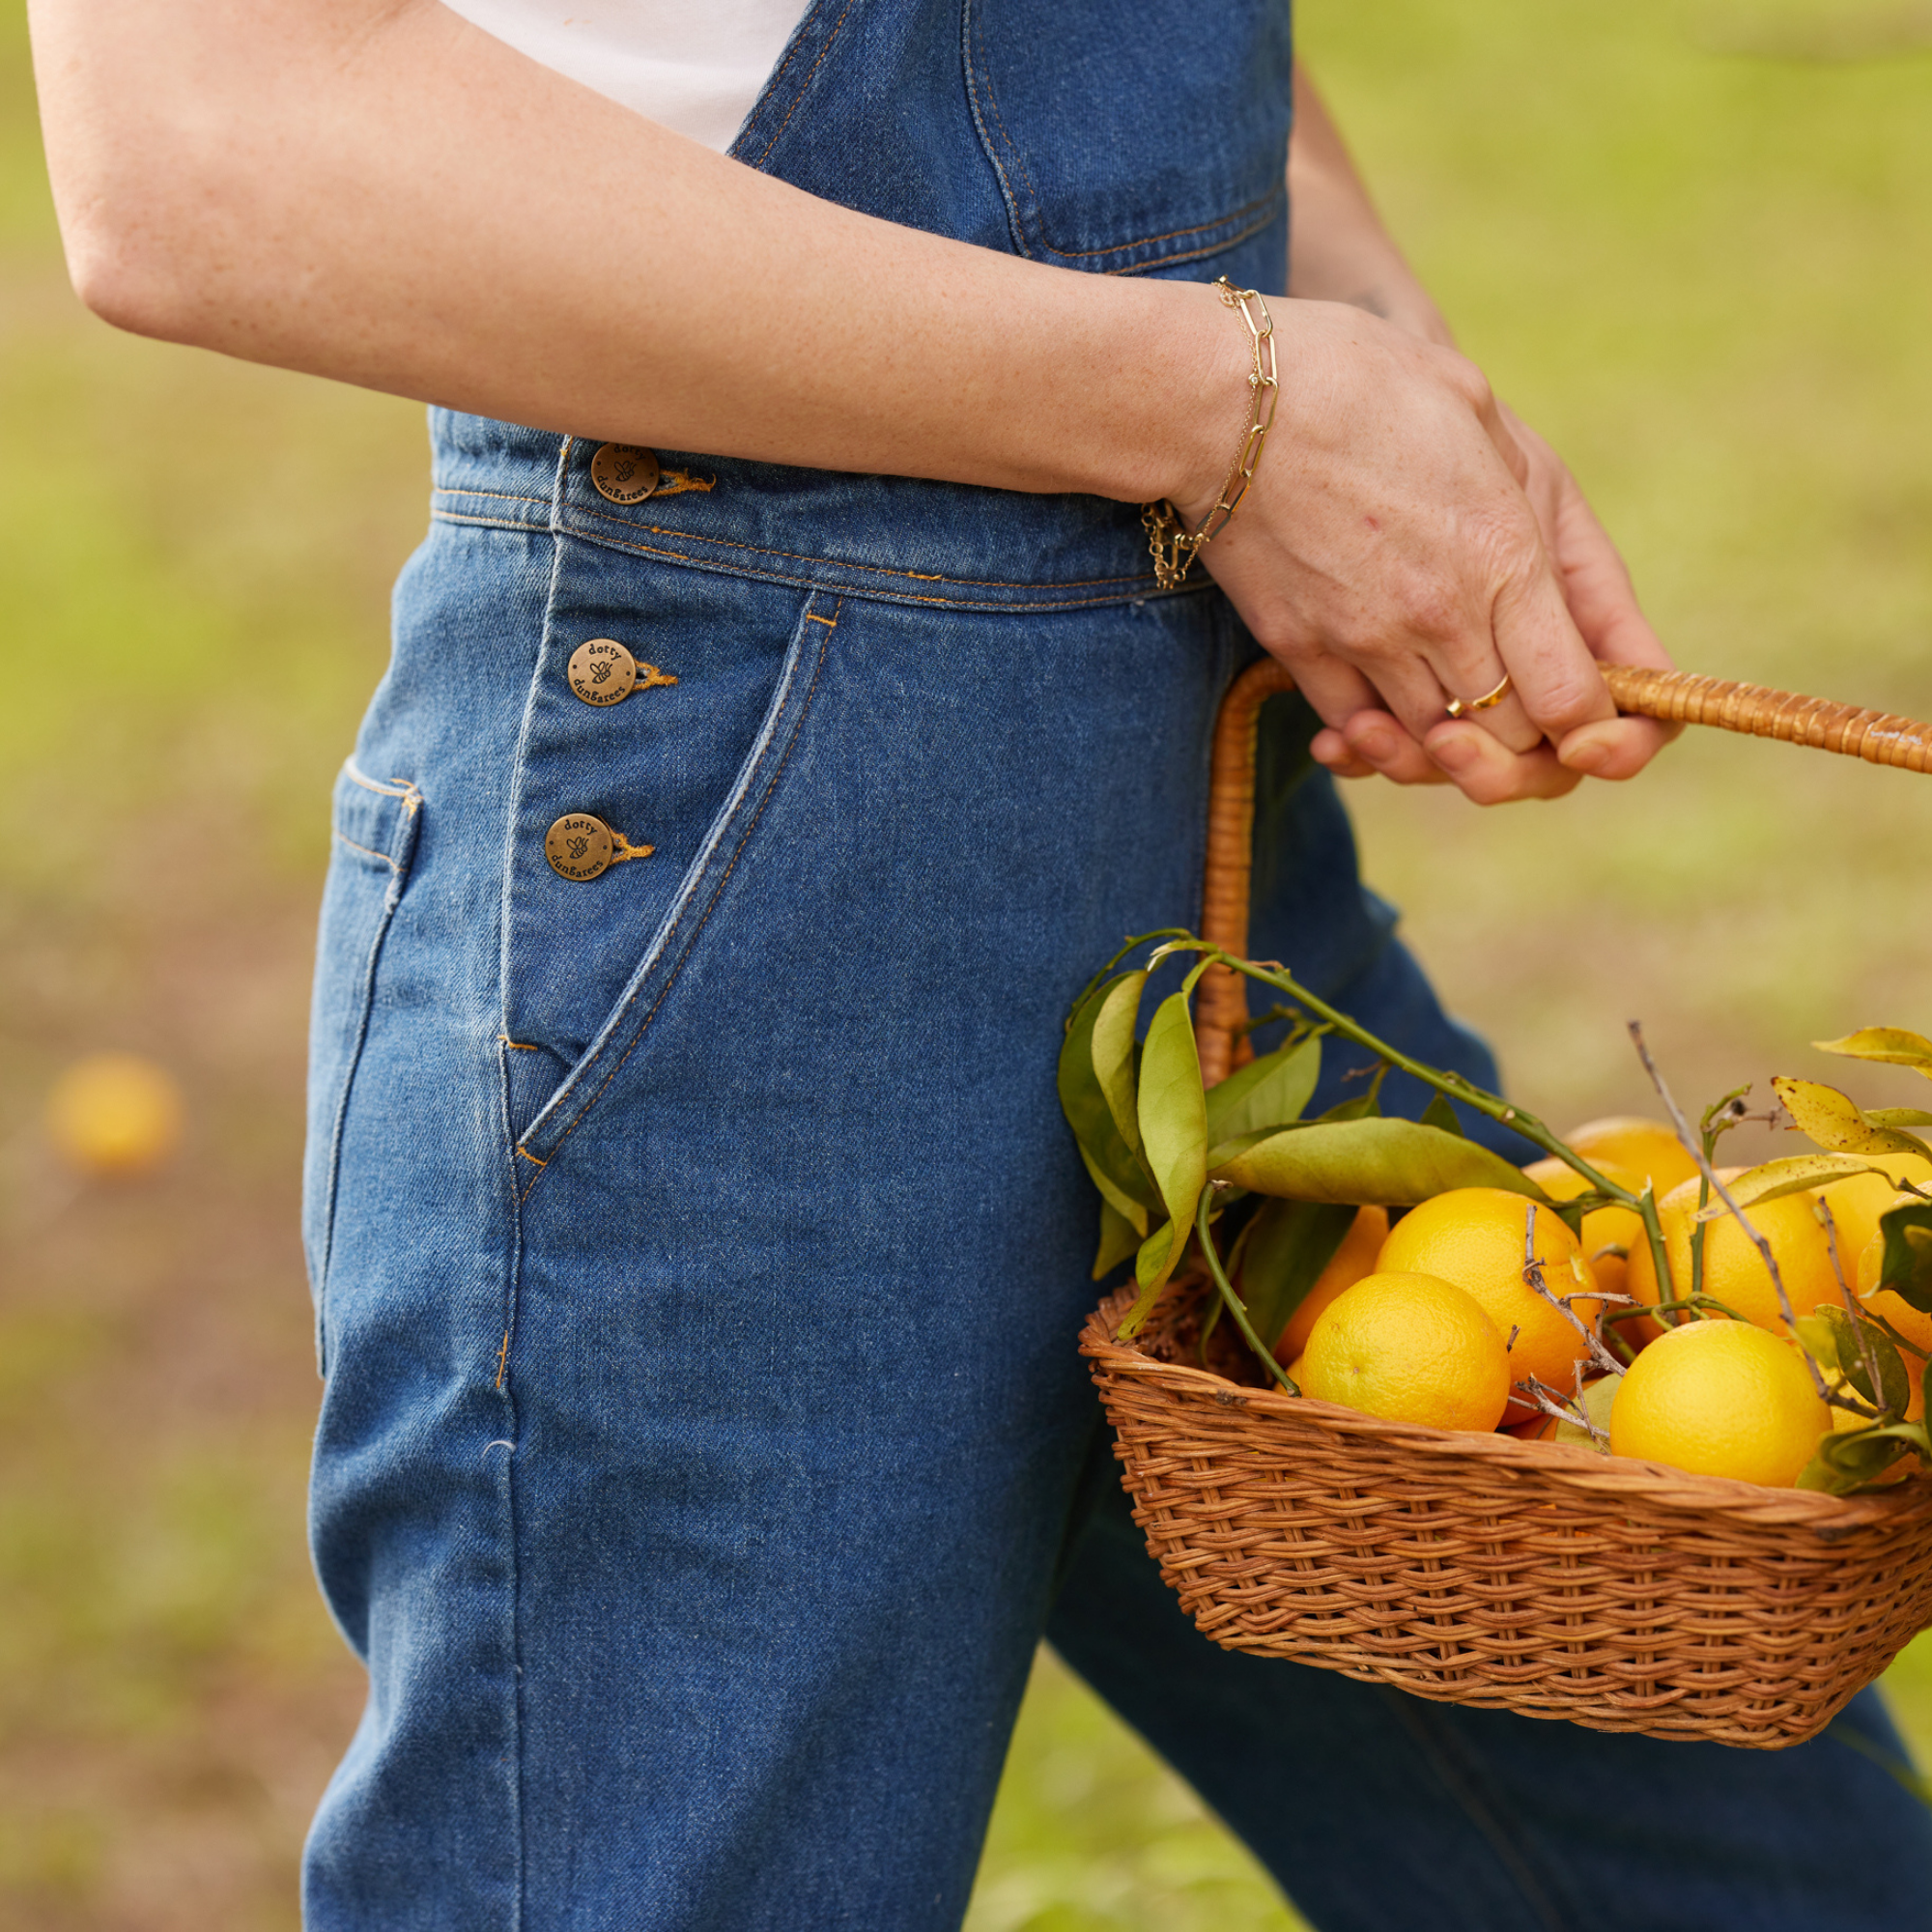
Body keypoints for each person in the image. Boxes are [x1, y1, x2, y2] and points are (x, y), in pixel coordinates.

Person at [27, 3, 1932, 1926]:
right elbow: (201, 149)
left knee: (1748, 1868)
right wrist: (1227, 409)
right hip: (746, 891)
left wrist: (1383, 380)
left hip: (1202, 860)